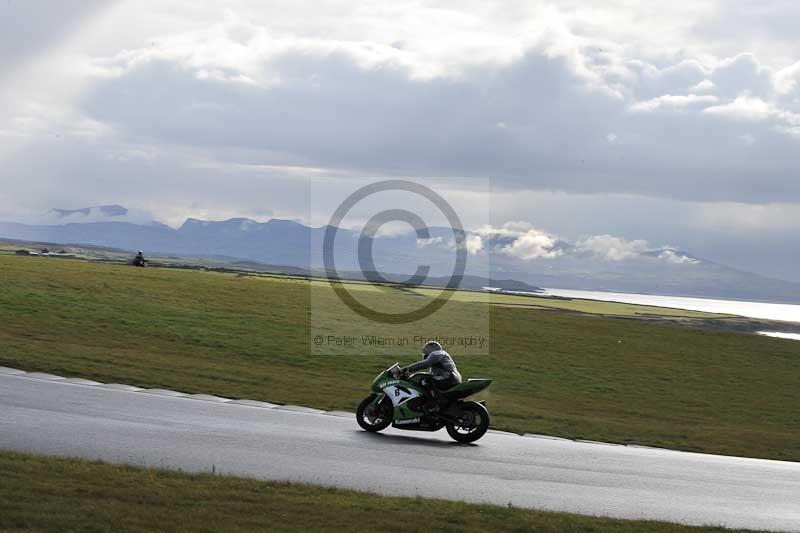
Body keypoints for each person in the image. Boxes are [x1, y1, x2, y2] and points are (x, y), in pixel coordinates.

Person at [403, 340, 462, 412]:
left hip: (449, 378)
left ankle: (434, 405)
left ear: (431, 349)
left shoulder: (437, 353)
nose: (424, 355)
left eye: (426, 351)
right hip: (452, 378)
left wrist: (406, 369)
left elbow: (425, 364)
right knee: (426, 379)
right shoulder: (437, 362)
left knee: (425, 380)